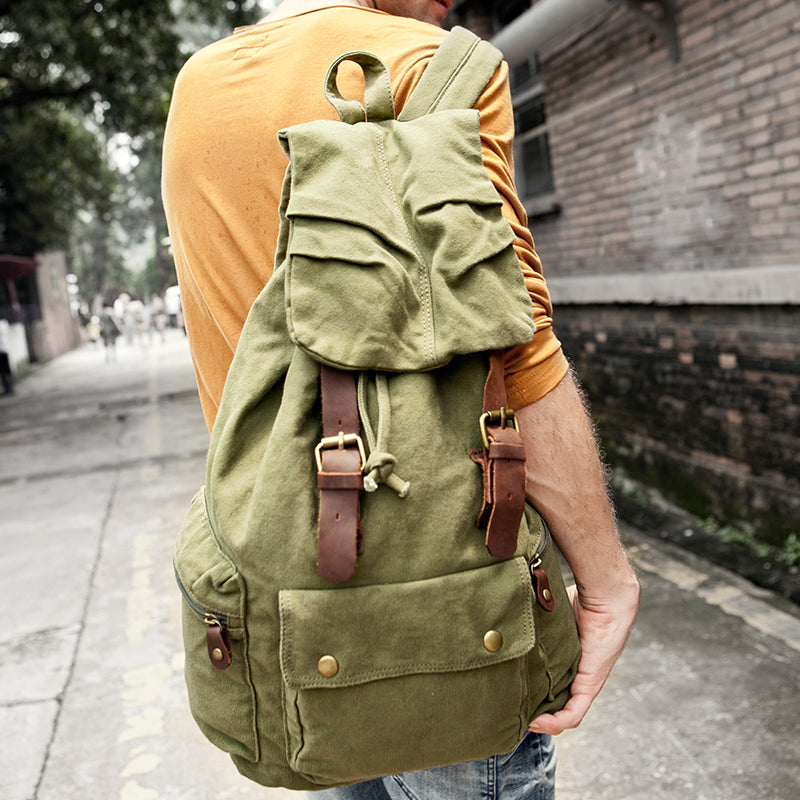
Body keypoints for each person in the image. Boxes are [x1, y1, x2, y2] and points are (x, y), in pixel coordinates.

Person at [161, 2, 640, 798]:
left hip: (286, 588)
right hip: (450, 596)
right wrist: (609, 579)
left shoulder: (199, 86)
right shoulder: (434, 66)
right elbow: (517, 346)